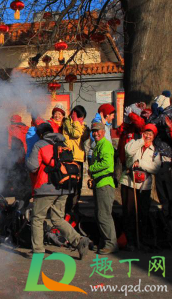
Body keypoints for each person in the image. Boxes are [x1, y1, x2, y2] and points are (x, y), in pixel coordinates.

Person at [26, 123, 89, 258]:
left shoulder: (40, 144)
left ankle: (38, 251)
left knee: (37, 218)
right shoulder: (63, 144)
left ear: (41, 134)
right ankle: (79, 240)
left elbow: (33, 167)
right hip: (63, 187)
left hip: (45, 188)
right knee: (58, 219)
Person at [119, 124, 161, 250]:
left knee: (143, 213)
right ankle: (130, 241)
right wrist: (141, 141)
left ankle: (141, 240)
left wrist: (141, 163)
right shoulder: (135, 143)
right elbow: (128, 151)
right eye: (146, 133)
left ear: (154, 137)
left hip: (144, 186)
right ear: (142, 133)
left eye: (151, 134)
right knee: (129, 212)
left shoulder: (155, 151)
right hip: (129, 183)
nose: (148, 136)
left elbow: (156, 167)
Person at [88, 122, 118, 254]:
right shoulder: (98, 145)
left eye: (98, 131)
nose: (95, 133)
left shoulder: (105, 145)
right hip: (100, 183)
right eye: (93, 131)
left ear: (104, 132)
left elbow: (106, 163)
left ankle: (111, 243)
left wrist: (91, 169)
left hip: (105, 184)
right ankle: (104, 241)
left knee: (104, 215)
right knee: (99, 214)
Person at [62, 105, 90, 214]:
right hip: (71, 158)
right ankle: (69, 210)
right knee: (71, 186)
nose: (82, 120)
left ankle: (75, 209)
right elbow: (76, 133)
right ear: (74, 114)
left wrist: (82, 126)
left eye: (83, 118)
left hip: (79, 158)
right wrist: (76, 121)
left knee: (78, 186)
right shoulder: (68, 122)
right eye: (80, 117)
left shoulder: (79, 124)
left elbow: (84, 136)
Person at [5, 114, 30, 201]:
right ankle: (22, 198)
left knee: (15, 177)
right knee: (23, 178)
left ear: (12, 121)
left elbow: (8, 144)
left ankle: (17, 198)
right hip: (26, 156)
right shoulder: (27, 129)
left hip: (14, 157)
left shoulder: (10, 129)